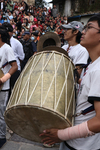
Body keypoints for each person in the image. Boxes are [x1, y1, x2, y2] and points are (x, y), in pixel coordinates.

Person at [40, 13, 100, 150]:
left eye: (88, 27)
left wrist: (61, 134)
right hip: (72, 140)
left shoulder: (98, 70)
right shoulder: (92, 65)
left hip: (83, 145)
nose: (83, 32)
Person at [0, 26, 18, 150]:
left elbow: (14, 66)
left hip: (3, 86)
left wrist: (3, 79)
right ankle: (0, 128)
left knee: (0, 112)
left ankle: (2, 137)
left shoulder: (7, 48)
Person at [2, 22, 24, 89]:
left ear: (11, 32)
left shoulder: (17, 43)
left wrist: (14, 66)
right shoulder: (1, 43)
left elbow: (21, 57)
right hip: (4, 71)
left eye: (8, 31)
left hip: (15, 71)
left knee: (15, 90)